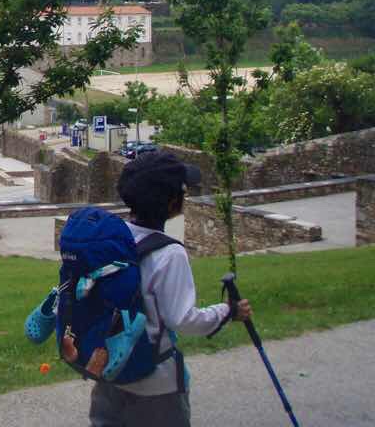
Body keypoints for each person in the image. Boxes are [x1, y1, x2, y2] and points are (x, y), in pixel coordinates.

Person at [89, 150, 252, 427]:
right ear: (173, 203)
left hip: (110, 371)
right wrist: (228, 311)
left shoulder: (113, 239)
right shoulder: (169, 253)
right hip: (155, 384)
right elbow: (182, 320)